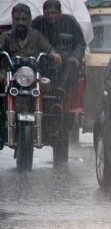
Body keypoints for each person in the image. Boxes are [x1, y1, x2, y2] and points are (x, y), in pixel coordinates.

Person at [0, 3, 61, 149]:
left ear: (29, 19)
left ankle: (48, 126)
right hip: (9, 74)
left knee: (50, 91)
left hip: (32, 77)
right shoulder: (5, 36)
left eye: (24, 19)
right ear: (12, 20)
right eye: (17, 19)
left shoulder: (37, 36)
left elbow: (49, 48)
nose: (21, 22)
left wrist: (53, 54)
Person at [32, 0, 85, 96]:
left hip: (68, 58)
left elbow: (81, 44)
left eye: (53, 13)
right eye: (47, 13)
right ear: (43, 13)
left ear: (60, 13)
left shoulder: (70, 22)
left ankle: (61, 91)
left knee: (71, 63)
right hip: (45, 59)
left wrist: (76, 56)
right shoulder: (38, 22)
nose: (50, 16)